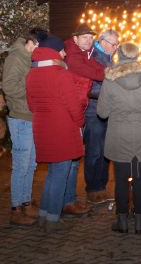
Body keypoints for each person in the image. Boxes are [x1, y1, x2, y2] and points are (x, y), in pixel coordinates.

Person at [97, 42, 141, 234]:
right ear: (136, 56)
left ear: (119, 56)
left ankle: (122, 221)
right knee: (140, 179)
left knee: (121, 180)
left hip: (119, 136)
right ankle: (140, 222)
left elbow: (102, 112)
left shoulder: (110, 79)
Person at [26, 34, 87, 232]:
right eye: (62, 51)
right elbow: (74, 106)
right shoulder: (62, 74)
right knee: (60, 174)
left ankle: (44, 215)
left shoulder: (31, 74)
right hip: (63, 129)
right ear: (54, 52)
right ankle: (53, 218)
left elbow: (31, 105)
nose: (64, 54)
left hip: (42, 128)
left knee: (53, 174)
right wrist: (80, 122)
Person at [2, 28, 45, 226]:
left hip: (32, 116)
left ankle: (26, 202)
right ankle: (15, 209)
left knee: (31, 164)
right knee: (21, 165)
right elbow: (9, 87)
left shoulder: (30, 58)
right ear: (32, 42)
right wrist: (33, 91)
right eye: (40, 46)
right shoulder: (16, 58)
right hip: (20, 118)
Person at [63, 23, 106, 215]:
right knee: (71, 157)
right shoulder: (73, 56)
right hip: (71, 111)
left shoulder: (85, 53)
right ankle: (67, 201)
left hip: (79, 108)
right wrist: (113, 74)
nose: (89, 41)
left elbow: (99, 67)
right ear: (75, 39)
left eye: (90, 37)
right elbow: (94, 73)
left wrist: (112, 71)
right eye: (85, 37)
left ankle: (70, 199)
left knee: (74, 157)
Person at [83, 29, 119, 204]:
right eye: (113, 44)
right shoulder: (95, 57)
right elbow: (94, 85)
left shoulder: (109, 58)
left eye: (117, 44)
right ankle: (92, 188)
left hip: (106, 111)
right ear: (103, 42)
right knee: (94, 151)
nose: (116, 47)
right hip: (94, 111)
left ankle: (101, 187)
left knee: (105, 151)